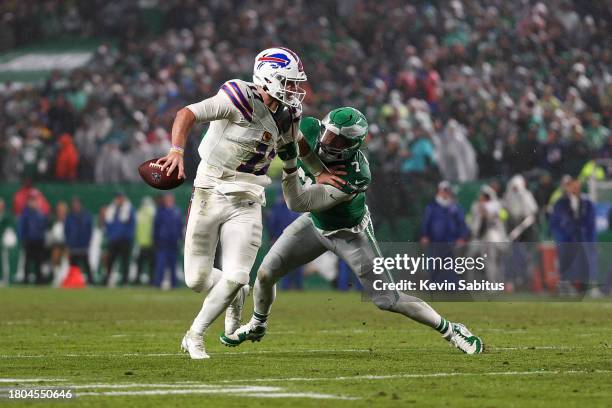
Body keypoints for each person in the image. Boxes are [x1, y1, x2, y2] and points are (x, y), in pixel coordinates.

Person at [222, 107, 484, 354]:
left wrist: (290, 162)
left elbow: (297, 202)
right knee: (266, 273)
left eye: (336, 140)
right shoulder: (311, 129)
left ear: (351, 146)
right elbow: (294, 135)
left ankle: (451, 330)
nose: (327, 141)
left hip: (349, 234)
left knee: (388, 299)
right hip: (315, 223)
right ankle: (258, 323)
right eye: (327, 133)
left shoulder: (356, 173)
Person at [157, 47, 341, 359]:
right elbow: (187, 114)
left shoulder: (288, 115)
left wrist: (320, 173)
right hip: (209, 189)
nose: (295, 90)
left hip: (248, 197)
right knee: (197, 279)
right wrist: (176, 150)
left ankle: (195, 335)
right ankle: (235, 293)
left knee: (239, 273)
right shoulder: (237, 96)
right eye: (289, 82)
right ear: (268, 78)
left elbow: (295, 145)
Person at [550, 177, 597, 297]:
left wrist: (589, 239)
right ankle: (566, 286)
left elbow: (591, 223)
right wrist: (561, 237)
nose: (573, 188)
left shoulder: (587, 202)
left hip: (583, 239)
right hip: (567, 239)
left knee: (586, 262)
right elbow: (555, 223)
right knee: (567, 263)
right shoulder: (560, 203)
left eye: (575, 185)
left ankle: (587, 287)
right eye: (570, 185)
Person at [420, 181, 470, 283]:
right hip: (436, 241)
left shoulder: (455, 207)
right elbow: (426, 222)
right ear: (438, 191)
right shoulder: (432, 207)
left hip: (452, 241)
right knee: (434, 265)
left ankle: (452, 289)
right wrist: (424, 235)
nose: (445, 193)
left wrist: (463, 237)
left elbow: (462, 223)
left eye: (447, 191)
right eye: (443, 190)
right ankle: (434, 287)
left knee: (451, 266)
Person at [103, 192, 135, 286]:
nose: (119, 200)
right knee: (110, 262)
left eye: (121, 198)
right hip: (113, 240)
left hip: (124, 240)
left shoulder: (129, 209)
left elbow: (132, 225)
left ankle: (125, 281)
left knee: (125, 262)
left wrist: (128, 236)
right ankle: (108, 280)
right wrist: (110, 236)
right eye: (118, 198)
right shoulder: (111, 209)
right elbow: (108, 224)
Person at [152, 194, 182, 288]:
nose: (169, 201)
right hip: (163, 243)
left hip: (173, 243)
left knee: (173, 265)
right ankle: (157, 284)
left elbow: (180, 226)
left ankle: (174, 284)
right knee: (160, 265)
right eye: (167, 199)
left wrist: (180, 238)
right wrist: (156, 239)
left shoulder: (177, 211)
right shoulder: (160, 211)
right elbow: (156, 227)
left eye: (170, 199)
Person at [18, 194, 48, 284]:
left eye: (34, 201)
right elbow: (22, 227)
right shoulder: (25, 214)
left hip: (39, 240)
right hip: (29, 240)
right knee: (27, 261)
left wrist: (43, 237)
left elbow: (43, 227)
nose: (33, 203)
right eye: (31, 201)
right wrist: (22, 238)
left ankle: (39, 278)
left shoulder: (40, 214)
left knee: (39, 261)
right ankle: (26, 278)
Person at [64, 197, 94, 284]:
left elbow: (89, 230)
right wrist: (68, 243)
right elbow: (67, 231)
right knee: (73, 266)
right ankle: (74, 281)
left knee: (86, 264)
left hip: (83, 245)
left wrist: (87, 242)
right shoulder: (69, 217)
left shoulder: (86, 215)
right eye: (74, 204)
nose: (76, 206)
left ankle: (90, 281)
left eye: (77, 204)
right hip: (73, 245)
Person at [135, 196, 156, 284]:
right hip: (149, 242)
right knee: (150, 263)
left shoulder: (139, 212)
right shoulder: (153, 211)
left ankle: (138, 279)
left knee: (140, 263)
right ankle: (151, 280)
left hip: (142, 242)